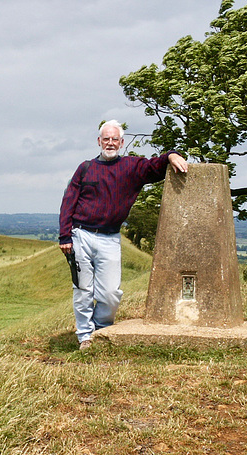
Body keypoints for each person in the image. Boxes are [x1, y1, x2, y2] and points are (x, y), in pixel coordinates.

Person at [59, 120, 188, 350]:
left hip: (110, 237)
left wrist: (171, 155)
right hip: (81, 235)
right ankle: (86, 337)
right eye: (106, 139)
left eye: (114, 139)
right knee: (83, 291)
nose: (110, 143)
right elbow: (69, 201)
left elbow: (155, 166)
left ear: (121, 142)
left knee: (110, 294)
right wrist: (65, 236)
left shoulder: (131, 167)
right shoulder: (85, 167)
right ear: (99, 141)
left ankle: (101, 328)